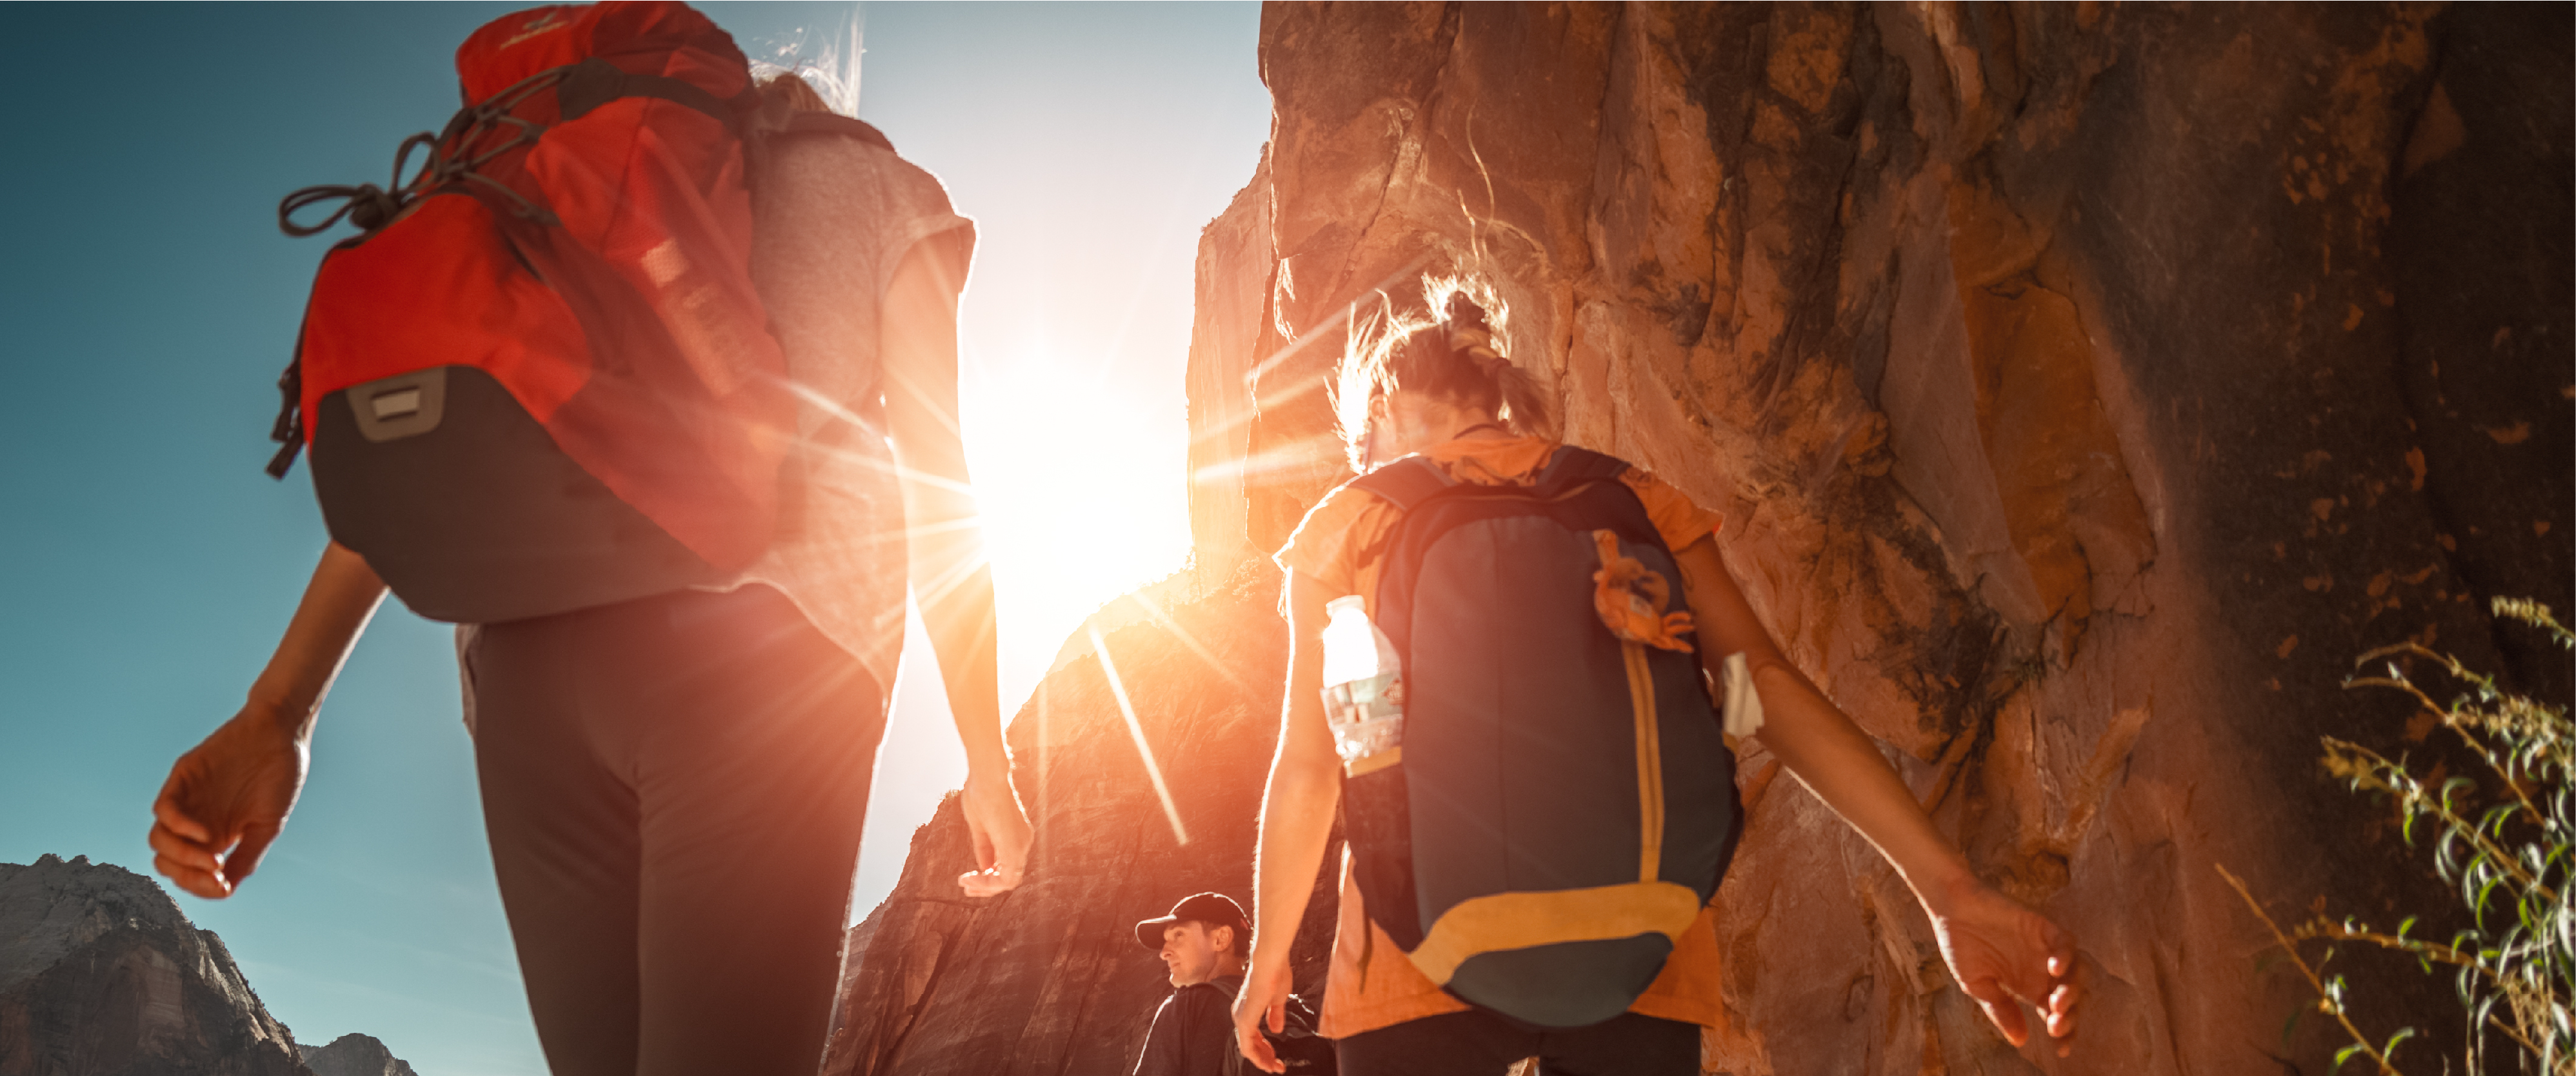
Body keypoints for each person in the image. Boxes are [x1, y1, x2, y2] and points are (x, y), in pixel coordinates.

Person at [144, 69, 1033, 1076]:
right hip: (763, 671)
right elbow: (938, 480)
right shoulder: (881, 187)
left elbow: (433, 464)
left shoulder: (548, 180)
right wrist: (985, 761)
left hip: (522, 674)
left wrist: (280, 710)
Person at [1231, 283, 2080, 1075]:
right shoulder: (1632, 499)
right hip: (1639, 947)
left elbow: (1311, 764)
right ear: (1489, 391)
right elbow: (1760, 693)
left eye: (1358, 447)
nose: (1362, 462)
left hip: (1412, 958)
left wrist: (1267, 957)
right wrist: (1949, 891)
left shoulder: (1352, 522)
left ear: (1380, 413)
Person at [1133, 892, 1254, 1076]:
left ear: (1221, 939)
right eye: (1166, 941)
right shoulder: (1289, 1007)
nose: (1164, 953)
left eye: (1178, 934)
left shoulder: (1185, 1007)